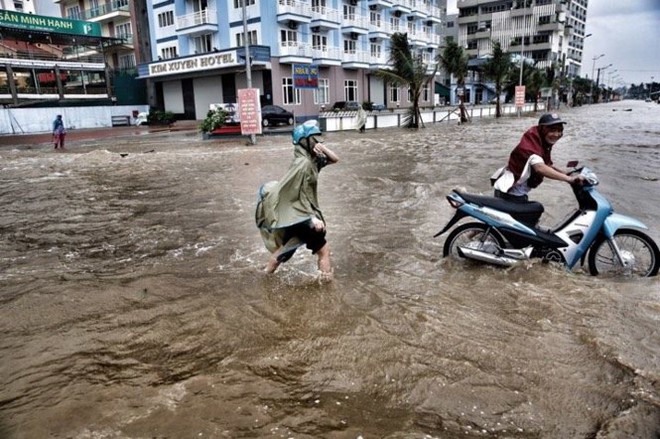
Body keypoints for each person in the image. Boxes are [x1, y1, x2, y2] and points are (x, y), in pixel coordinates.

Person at [255, 120, 339, 279]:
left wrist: (322, 148)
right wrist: (312, 218)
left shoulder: (311, 161)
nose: (317, 142)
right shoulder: (304, 164)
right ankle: (327, 285)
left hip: (297, 216)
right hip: (303, 216)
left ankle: (265, 276)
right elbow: (299, 193)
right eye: (314, 139)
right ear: (304, 142)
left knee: (282, 250)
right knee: (323, 251)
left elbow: (335, 159)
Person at [491, 113, 583, 203]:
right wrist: (569, 179)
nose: (556, 134)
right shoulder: (530, 147)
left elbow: (547, 165)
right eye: (552, 130)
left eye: (559, 131)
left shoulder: (540, 142)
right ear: (543, 129)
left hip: (514, 192)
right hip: (511, 194)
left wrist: (567, 174)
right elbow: (540, 168)